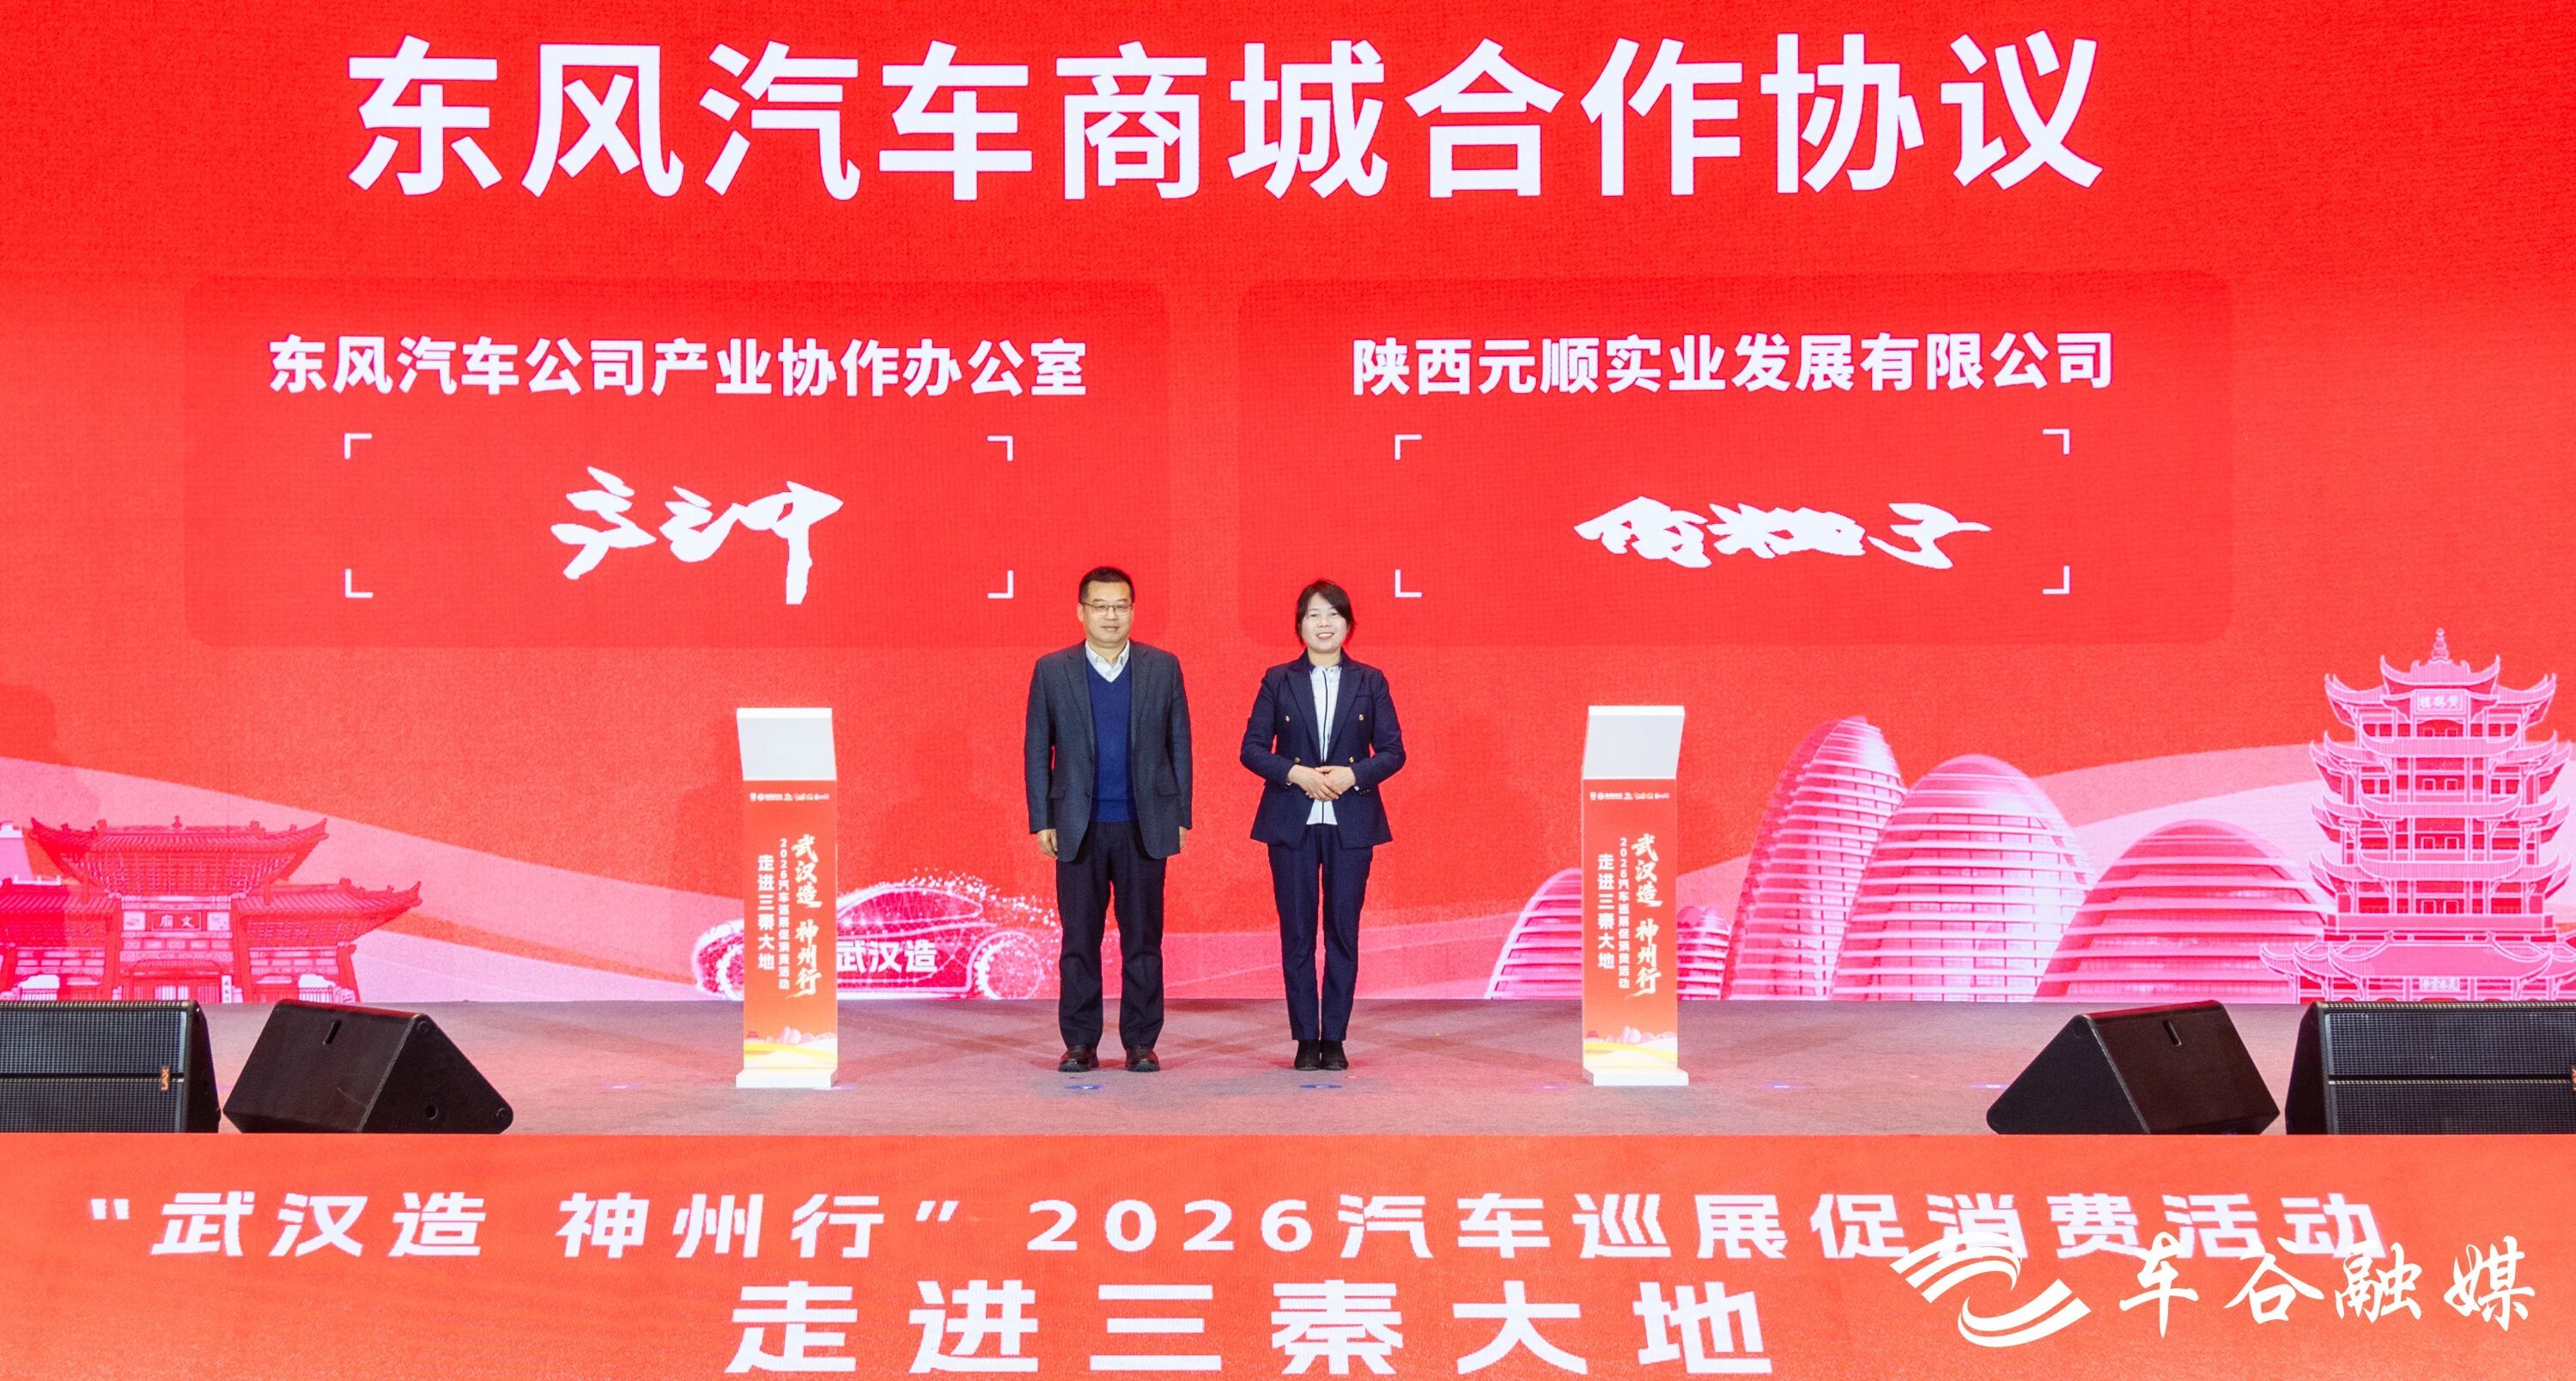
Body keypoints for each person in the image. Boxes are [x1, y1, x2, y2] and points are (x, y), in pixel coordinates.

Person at [1024, 566, 1192, 1073]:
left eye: (1120, 606)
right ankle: (1080, 1042)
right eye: (1100, 606)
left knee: (1144, 941)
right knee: (1079, 941)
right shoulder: (1053, 670)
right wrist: (1042, 819)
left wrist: (1180, 813)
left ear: (1133, 611)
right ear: (1081, 612)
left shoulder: (1162, 667)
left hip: (1145, 822)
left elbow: (1180, 743)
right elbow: (1037, 748)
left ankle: (1141, 1042)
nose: (1111, 615)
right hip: (1079, 824)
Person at [1237, 580, 1406, 1071]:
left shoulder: (1370, 680)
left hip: (1351, 822)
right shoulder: (1278, 679)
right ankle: (1304, 1038)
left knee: (1342, 931)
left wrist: (1354, 775)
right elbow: (1252, 749)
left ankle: (1334, 1037)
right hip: (1292, 820)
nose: (1324, 623)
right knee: (1297, 933)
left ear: (1348, 624)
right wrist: (1298, 774)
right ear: (1300, 625)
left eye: (1333, 614)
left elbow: (1393, 751)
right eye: (1314, 615)